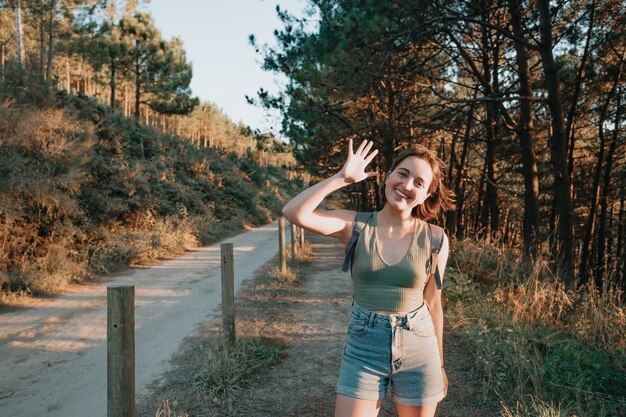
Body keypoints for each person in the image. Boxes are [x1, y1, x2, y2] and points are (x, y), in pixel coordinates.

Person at [282, 139, 455, 417]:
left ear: (426, 195)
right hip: (364, 346)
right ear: (387, 176)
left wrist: (441, 363)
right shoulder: (356, 226)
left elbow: (434, 304)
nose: (408, 185)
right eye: (403, 173)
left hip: (420, 348)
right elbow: (294, 212)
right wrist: (341, 178)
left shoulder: (436, 238)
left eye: (419, 183)